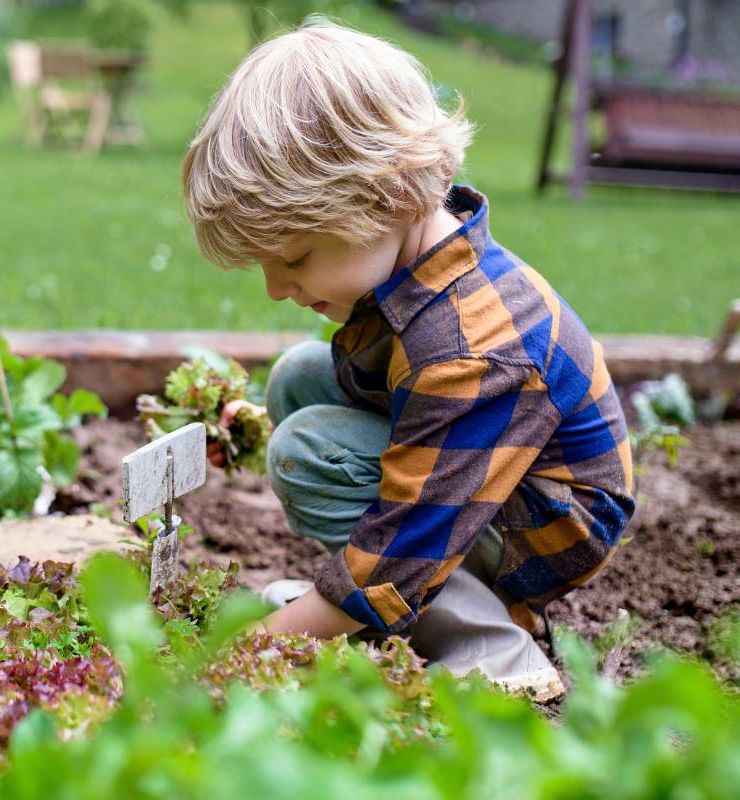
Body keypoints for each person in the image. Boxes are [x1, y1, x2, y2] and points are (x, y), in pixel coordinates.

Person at [181, 19, 635, 700]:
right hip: (495, 488)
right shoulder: (418, 258)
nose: (276, 288)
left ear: (389, 196)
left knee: (308, 452)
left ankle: (489, 643)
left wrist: (256, 648)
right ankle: (373, 603)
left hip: (539, 531)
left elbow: (413, 529)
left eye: (294, 258)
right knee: (300, 381)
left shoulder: (472, 350)